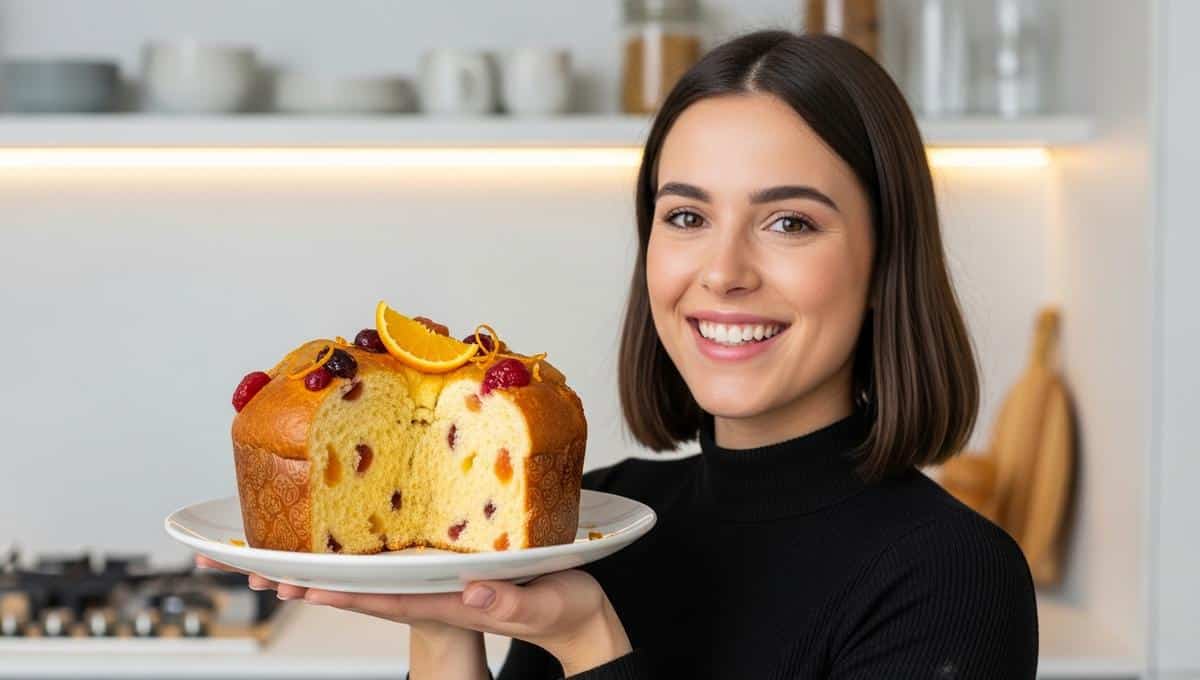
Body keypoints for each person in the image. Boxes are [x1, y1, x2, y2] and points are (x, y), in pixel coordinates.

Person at [199, 30, 1039, 679]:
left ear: (885, 258)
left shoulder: (953, 578)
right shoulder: (592, 524)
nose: (722, 272)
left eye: (790, 222)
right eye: (686, 216)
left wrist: (587, 638)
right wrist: (443, 623)